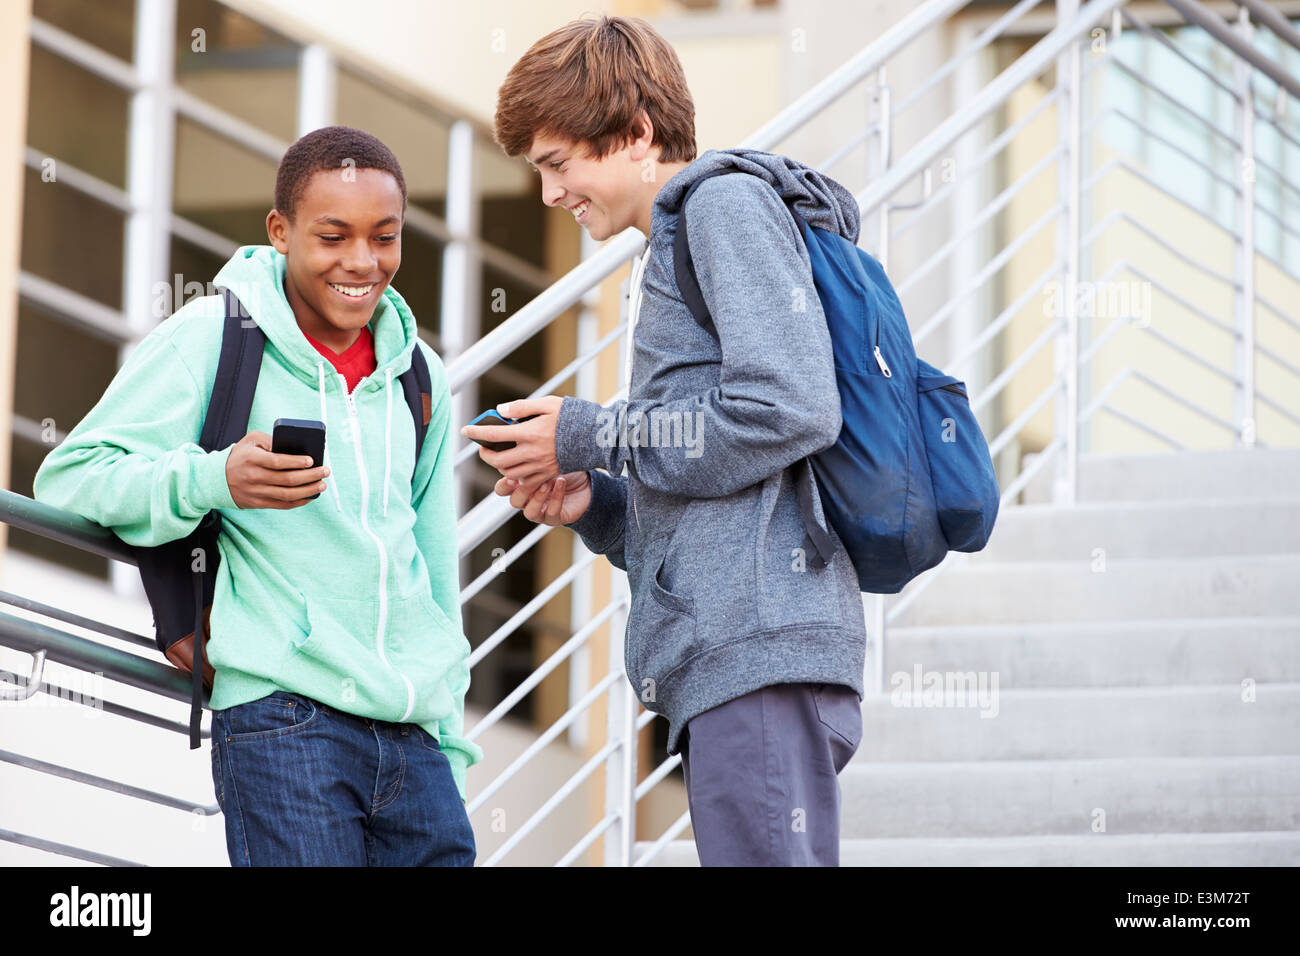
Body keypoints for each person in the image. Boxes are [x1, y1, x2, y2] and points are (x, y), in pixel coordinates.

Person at [462, 16, 867, 866]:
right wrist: (601, 507)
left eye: (556, 164)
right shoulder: (681, 237)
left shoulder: (721, 205)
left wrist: (592, 433)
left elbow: (790, 409)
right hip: (735, 656)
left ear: (637, 133)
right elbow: (729, 464)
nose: (548, 193)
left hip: (755, 654)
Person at [33, 125, 479, 867]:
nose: (362, 262)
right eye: (333, 236)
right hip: (285, 721)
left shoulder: (419, 373)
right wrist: (214, 479)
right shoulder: (215, 333)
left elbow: (433, 571)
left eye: (385, 237)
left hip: (413, 738)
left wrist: (451, 746)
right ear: (280, 230)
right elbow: (75, 472)